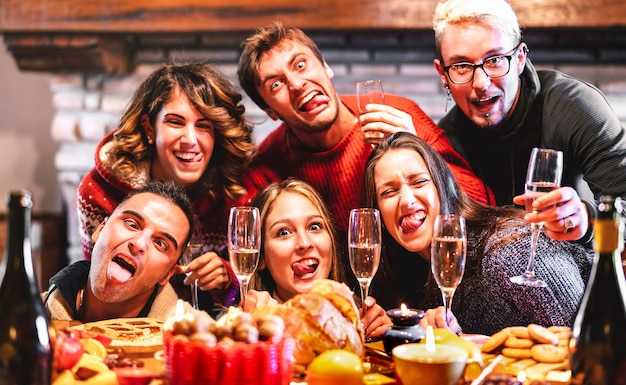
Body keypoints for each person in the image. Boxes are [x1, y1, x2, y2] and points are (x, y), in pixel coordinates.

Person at [237, 21, 493, 288]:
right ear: (270, 111)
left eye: (300, 65)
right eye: (276, 84)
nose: (297, 84)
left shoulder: (394, 113)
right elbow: (246, 262)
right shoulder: (265, 168)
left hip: (424, 290)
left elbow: (481, 202)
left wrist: (419, 152)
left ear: (325, 67)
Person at [432, 0, 626, 244]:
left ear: (520, 58)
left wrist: (587, 221)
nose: (480, 82)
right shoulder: (447, 140)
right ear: (443, 74)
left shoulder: (573, 106)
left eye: (494, 60)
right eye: (462, 66)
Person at [364, 132, 593, 336]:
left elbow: (582, 350)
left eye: (419, 181)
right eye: (389, 191)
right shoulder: (420, 273)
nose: (406, 200)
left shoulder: (508, 252)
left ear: (443, 187)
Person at [77, 62, 256, 308]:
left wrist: (227, 279)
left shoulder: (236, 194)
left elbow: (249, 294)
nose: (190, 140)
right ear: (149, 127)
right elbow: (99, 288)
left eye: (204, 126)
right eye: (175, 122)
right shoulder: (98, 192)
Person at [245, 178, 392, 339]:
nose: (304, 243)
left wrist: (386, 340)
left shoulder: (356, 320)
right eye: (284, 232)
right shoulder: (245, 326)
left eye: (314, 227)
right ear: (260, 258)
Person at [45, 180, 201, 321]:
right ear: (101, 229)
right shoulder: (33, 317)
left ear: (167, 274)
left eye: (160, 243)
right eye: (132, 224)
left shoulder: (197, 339)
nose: (139, 244)